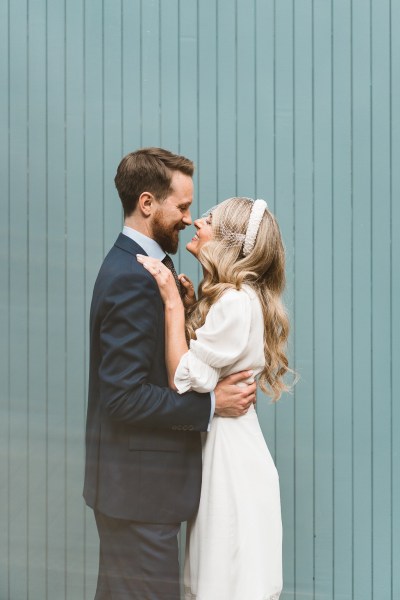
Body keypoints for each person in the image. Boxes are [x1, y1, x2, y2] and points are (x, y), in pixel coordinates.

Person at [83, 148, 257, 600]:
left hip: (139, 493)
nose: (188, 218)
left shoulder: (150, 269)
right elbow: (122, 398)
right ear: (147, 203)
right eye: (181, 207)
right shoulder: (132, 277)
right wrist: (212, 403)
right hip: (139, 497)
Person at [137, 196, 291, 600]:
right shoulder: (237, 302)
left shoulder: (236, 305)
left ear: (227, 240)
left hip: (231, 467)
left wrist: (172, 303)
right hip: (229, 453)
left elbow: (181, 377)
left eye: (208, 220)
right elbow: (207, 368)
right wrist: (191, 312)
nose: (196, 223)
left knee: (222, 581)